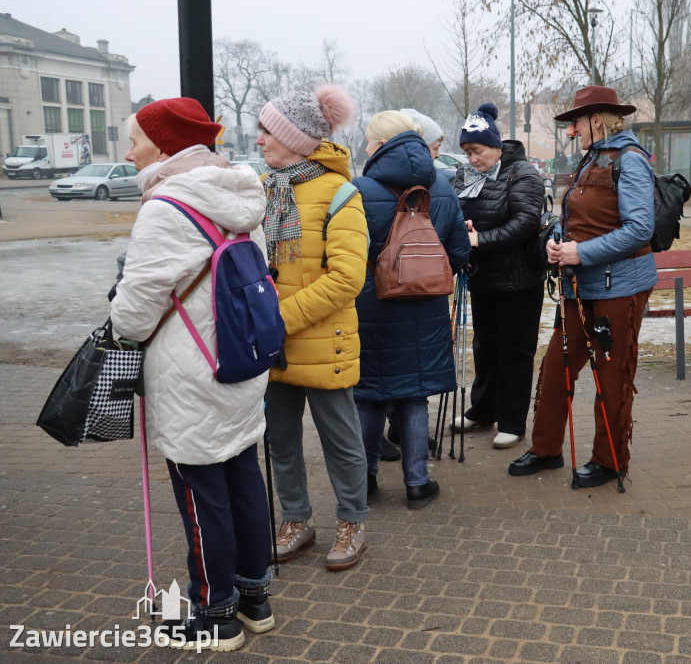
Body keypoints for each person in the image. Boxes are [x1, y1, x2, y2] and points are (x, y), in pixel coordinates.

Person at [110, 98, 273, 650]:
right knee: (244, 477)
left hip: (190, 373)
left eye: (134, 141)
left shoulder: (166, 208)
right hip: (241, 362)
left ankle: (216, 615)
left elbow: (133, 314)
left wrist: (118, 310)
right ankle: (255, 599)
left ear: (163, 146)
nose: (128, 153)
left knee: (203, 493)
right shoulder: (241, 195)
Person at [508, 85, 656, 489]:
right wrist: (557, 239)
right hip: (579, 288)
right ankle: (546, 449)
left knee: (612, 376)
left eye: (574, 122)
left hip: (619, 289)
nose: (570, 131)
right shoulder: (590, 161)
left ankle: (610, 461)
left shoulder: (631, 161)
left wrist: (581, 253)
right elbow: (573, 218)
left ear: (596, 119)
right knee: (556, 368)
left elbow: (641, 228)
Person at [257, 85, 371, 572]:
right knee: (279, 440)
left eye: (268, 131)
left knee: (341, 442)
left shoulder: (342, 194)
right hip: (270, 345)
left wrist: (278, 319)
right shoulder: (262, 190)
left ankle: (352, 521)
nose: (259, 140)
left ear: (297, 138)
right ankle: (296, 519)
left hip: (322, 341)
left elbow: (348, 277)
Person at [353, 110, 470, 508]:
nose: (366, 148)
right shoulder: (442, 185)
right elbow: (459, 250)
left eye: (369, 141)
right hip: (427, 306)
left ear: (381, 145)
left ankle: (365, 479)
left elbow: (346, 255)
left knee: (369, 394)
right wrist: (423, 277)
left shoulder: (358, 189)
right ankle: (418, 483)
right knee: (414, 394)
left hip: (372, 308)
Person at [452, 103, 546, 449]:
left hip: (519, 280)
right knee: (485, 346)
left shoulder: (523, 174)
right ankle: (483, 408)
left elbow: (525, 223)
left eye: (475, 150)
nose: (471, 158)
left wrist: (480, 238)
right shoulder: (465, 175)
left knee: (515, 350)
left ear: (495, 146)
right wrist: (462, 227)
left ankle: (512, 420)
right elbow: (457, 209)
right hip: (482, 277)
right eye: (466, 152)